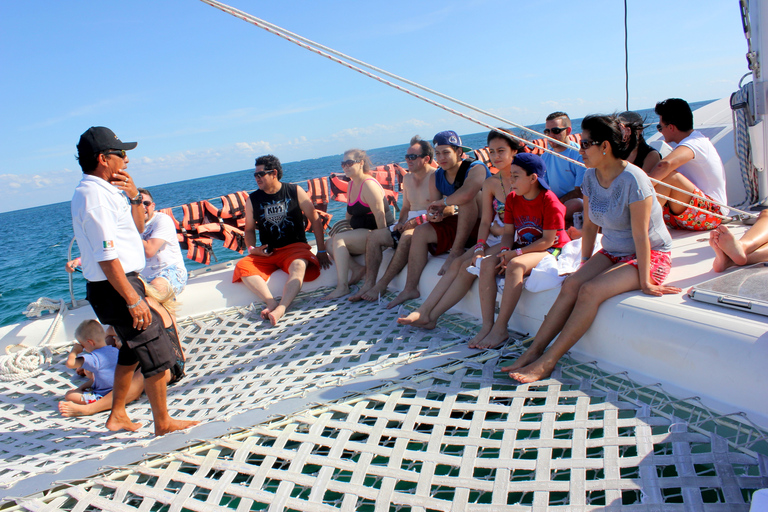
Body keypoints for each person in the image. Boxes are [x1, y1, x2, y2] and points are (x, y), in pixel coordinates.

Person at [502, 115, 681, 384]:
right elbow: (588, 226)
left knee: (589, 291)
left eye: (585, 144)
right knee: (572, 284)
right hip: (612, 250)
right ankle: (534, 351)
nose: (580, 149)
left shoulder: (634, 179)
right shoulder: (590, 177)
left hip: (651, 254)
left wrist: (646, 280)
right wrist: (583, 262)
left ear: (605, 146)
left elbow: (641, 235)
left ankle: (548, 362)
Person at [71, 126, 197, 435]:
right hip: (116, 286)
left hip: (122, 281)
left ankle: (117, 415)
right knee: (157, 352)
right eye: (120, 154)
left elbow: (137, 229)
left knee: (130, 349)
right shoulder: (95, 197)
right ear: (103, 159)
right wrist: (133, 298)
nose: (126, 160)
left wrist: (134, 195)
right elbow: (106, 257)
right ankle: (163, 423)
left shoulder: (105, 192)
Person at [396, 130, 524, 328]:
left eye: (501, 151)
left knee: (466, 266)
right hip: (491, 233)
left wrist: (495, 234)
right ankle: (426, 313)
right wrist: (480, 245)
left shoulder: (515, 177)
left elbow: (468, 196)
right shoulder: (492, 182)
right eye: (492, 152)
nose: (495, 156)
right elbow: (485, 222)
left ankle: (480, 324)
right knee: (457, 265)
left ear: (458, 151)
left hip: (512, 237)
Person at [470, 153, 571, 349]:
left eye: (516, 176)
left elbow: (548, 240)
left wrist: (515, 255)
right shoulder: (513, 199)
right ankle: (487, 325)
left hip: (551, 249)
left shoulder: (549, 201)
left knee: (515, 266)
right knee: (489, 263)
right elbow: (508, 232)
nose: (510, 179)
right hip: (524, 246)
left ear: (533, 178)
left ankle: (501, 328)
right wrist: (505, 251)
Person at [387, 130, 491, 308]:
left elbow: (466, 194)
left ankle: (456, 251)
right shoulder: (437, 176)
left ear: (459, 152)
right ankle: (410, 288)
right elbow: (439, 208)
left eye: (446, 152)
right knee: (419, 232)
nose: (441, 157)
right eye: (439, 153)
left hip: (487, 224)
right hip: (466, 222)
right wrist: (435, 215)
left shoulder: (476, 167)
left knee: (465, 199)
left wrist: (442, 203)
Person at [233, 154, 331, 323]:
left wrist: (321, 250)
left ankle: (282, 308)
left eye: (260, 174)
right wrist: (252, 249)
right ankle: (271, 302)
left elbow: (315, 219)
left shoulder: (294, 191)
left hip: (295, 248)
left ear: (274, 173)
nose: (257, 178)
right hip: (268, 252)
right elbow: (248, 229)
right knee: (243, 267)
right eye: (255, 175)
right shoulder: (253, 199)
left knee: (299, 265)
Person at [349, 136, 435, 302]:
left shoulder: (435, 177)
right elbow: (405, 208)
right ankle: (369, 283)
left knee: (405, 239)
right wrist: (401, 222)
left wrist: (414, 223)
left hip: (427, 226)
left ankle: (382, 285)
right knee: (373, 236)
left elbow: (447, 210)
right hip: (408, 224)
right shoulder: (408, 178)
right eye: (406, 156)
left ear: (426, 159)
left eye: (412, 157)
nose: (407, 160)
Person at [322, 149, 395, 299]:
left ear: (361, 163)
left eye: (349, 163)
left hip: (377, 233)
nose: (345, 167)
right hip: (362, 232)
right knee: (329, 243)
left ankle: (342, 287)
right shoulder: (351, 185)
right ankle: (357, 269)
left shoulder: (368, 185)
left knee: (339, 240)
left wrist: (384, 243)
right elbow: (350, 213)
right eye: (343, 164)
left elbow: (380, 215)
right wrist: (342, 229)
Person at [649, 98, 729, 231]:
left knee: (669, 177)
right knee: (660, 176)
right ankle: (638, 225)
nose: (660, 131)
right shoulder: (690, 143)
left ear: (671, 127)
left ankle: (639, 226)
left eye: (660, 127)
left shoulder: (696, 142)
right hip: (693, 214)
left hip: (713, 214)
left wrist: (638, 191)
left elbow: (665, 164)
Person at [137, 188, 187, 302]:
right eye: (138, 203)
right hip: (143, 278)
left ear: (153, 205)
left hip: (171, 272)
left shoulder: (162, 220)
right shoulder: (128, 225)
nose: (143, 206)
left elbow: (150, 251)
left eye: (146, 203)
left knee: (157, 287)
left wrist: (129, 231)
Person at [540, 112, 585, 224]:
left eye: (555, 131)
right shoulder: (545, 157)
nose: (550, 135)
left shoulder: (579, 155)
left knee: (576, 205)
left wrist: (556, 203)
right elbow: (542, 188)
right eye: (547, 132)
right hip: (554, 203)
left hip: (571, 204)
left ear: (568, 131)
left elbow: (580, 191)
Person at [62, 319, 118, 407]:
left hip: (103, 396)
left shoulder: (93, 358)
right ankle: (81, 389)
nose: (83, 348)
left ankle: (89, 399)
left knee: (69, 395)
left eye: (83, 345)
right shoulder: (115, 350)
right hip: (121, 391)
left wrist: (74, 351)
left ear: (90, 342)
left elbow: (70, 364)